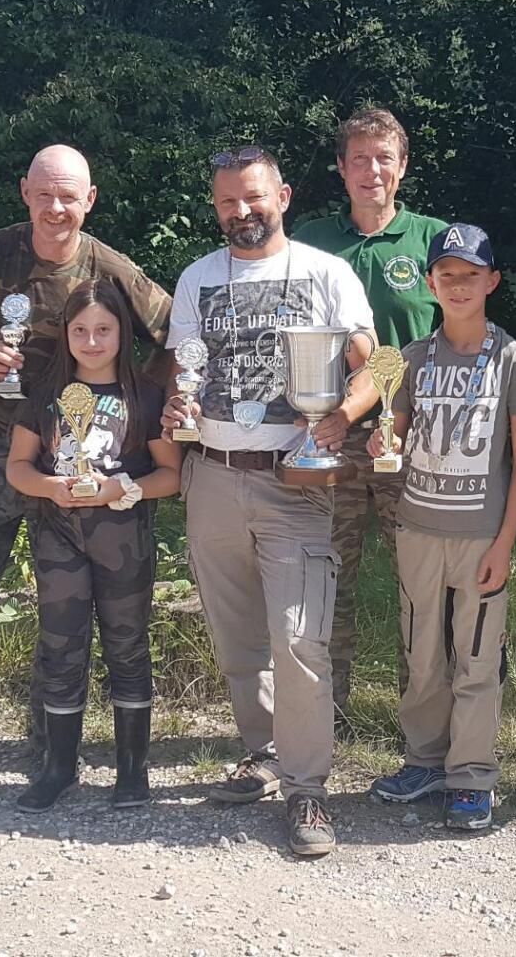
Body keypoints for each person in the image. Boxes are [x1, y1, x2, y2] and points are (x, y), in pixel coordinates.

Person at [0, 145, 173, 804]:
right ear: (25, 193)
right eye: (45, 194)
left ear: (90, 200)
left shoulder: (111, 269)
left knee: (63, 601)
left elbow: (178, 334)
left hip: (84, 457)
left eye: (69, 197)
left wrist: (140, 407)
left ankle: (48, 753)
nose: (56, 208)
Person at [163, 146, 377, 856]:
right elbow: (183, 372)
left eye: (253, 197)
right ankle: (263, 754)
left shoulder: (327, 272)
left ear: (282, 196)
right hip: (213, 474)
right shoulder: (197, 277)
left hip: (297, 480)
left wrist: (342, 414)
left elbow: (372, 364)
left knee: (299, 637)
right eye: (227, 201)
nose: (241, 211)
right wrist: (177, 407)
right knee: (238, 638)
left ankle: (308, 789)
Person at [365, 224, 516, 831]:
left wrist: (505, 543)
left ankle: (472, 775)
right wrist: (382, 441)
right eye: (447, 275)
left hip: (481, 537)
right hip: (417, 528)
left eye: (470, 275)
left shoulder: (512, 358)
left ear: (492, 281)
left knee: (477, 658)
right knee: (421, 654)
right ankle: (424, 761)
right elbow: (394, 435)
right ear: (430, 283)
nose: (458, 285)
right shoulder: (414, 358)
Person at [291, 107, 448, 719]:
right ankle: (323, 712)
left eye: (384, 158)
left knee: (421, 579)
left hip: (415, 437)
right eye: (359, 158)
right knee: (327, 574)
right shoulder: (310, 239)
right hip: (329, 434)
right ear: (341, 167)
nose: (372, 170)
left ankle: (426, 715)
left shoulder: (434, 239)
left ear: (403, 166)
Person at [5, 281, 180, 812]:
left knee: (127, 646)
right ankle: (59, 768)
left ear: (122, 332)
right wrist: (49, 486)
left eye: (104, 329)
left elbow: (171, 475)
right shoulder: (45, 394)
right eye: (80, 330)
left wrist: (121, 488)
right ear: (65, 333)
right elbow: (17, 467)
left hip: (123, 541)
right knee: (61, 648)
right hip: (58, 540)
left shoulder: (144, 395)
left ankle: (132, 770)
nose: (92, 341)